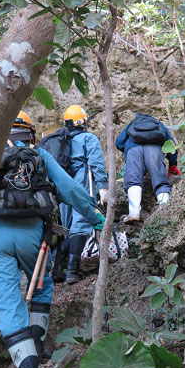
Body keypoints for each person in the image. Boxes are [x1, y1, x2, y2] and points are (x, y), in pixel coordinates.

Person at [0, 110, 105, 368]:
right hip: (35, 236)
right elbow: (70, 190)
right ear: (29, 132)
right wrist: (95, 215)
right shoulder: (38, 156)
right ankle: (37, 347)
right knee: (41, 285)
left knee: (7, 300)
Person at [58, 105, 108, 285]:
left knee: (68, 225)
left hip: (62, 184)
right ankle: (72, 270)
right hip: (81, 181)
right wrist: (103, 187)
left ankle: (58, 267)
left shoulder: (61, 141)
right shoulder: (89, 138)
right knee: (81, 221)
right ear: (83, 122)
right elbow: (96, 163)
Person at [115, 113, 180, 223]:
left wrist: (127, 151)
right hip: (154, 150)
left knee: (133, 180)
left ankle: (133, 213)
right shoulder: (158, 124)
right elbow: (171, 145)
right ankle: (164, 211)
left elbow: (119, 142)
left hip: (133, 150)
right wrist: (173, 164)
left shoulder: (132, 124)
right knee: (161, 181)